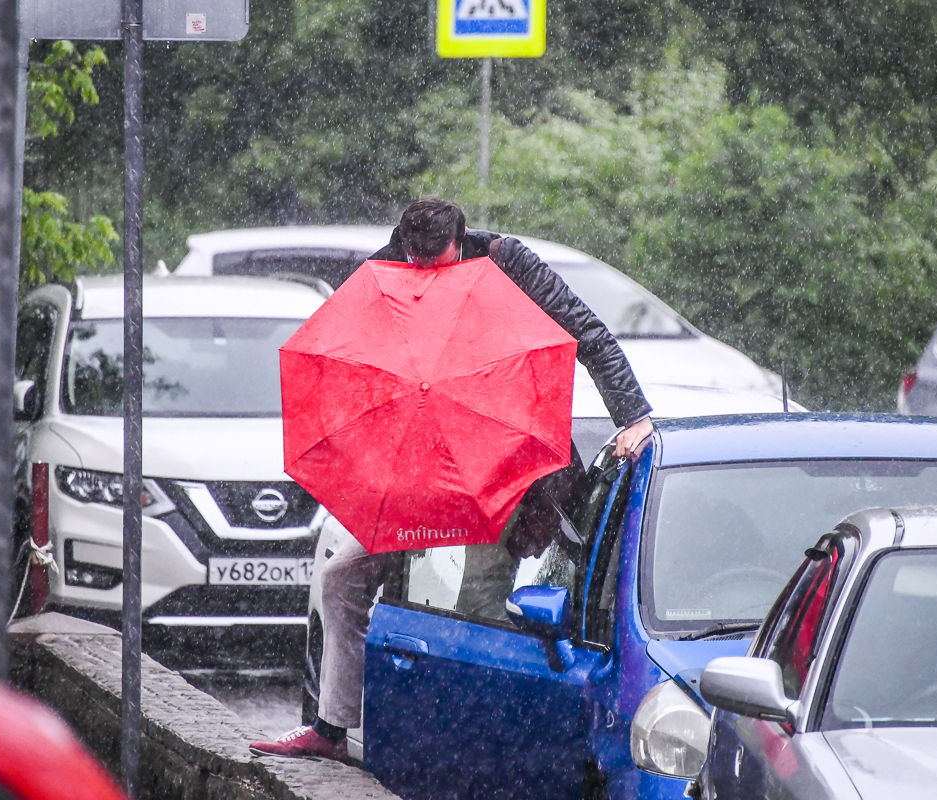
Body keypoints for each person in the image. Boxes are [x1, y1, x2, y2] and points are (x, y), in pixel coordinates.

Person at [249, 198, 653, 760]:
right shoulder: (392, 264)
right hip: (418, 468)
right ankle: (334, 728)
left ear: (461, 239)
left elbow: (587, 331)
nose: (424, 276)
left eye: (435, 263)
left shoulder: (508, 263)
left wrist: (633, 415)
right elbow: (348, 347)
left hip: (504, 466)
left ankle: (477, 745)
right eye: (416, 263)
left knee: (478, 603)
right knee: (342, 579)